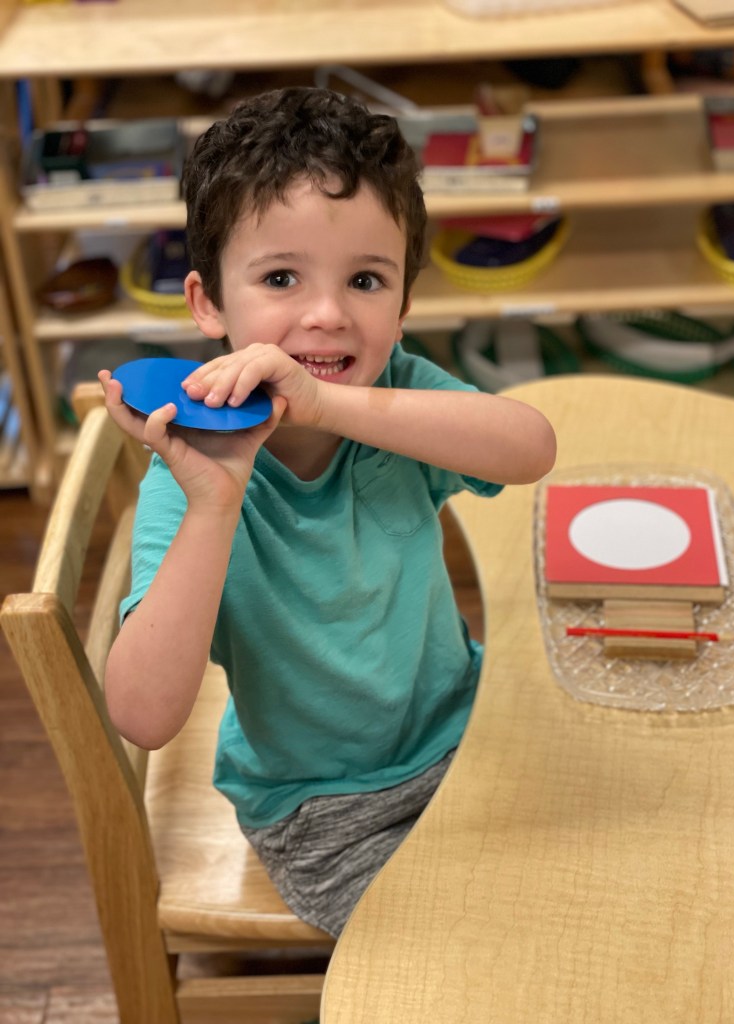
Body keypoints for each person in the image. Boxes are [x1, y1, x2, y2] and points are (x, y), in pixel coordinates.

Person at [98, 86, 556, 938]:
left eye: (366, 280)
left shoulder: (399, 392)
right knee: (472, 947)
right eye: (281, 277)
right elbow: (143, 716)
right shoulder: (189, 479)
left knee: (595, 876)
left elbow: (531, 447)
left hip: (463, 732)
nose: (328, 314)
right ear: (208, 303)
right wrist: (214, 506)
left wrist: (324, 404)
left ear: (404, 306)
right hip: (320, 808)